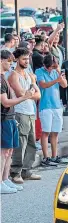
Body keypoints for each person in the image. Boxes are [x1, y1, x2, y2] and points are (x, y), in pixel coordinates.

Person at [1, 50, 34, 193]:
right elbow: (5, 102)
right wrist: (24, 97)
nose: (11, 64)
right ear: (1, 61)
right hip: (3, 118)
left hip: (10, 117)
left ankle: (5, 179)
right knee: (3, 152)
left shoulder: (4, 78)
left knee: (9, 151)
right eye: (9, 61)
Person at [8, 48, 41, 184]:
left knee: (32, 144)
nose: (27, 61)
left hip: (30, 112)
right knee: (20, 144)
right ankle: (16, 172)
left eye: (28, 59)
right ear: (16, 59)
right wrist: (30, 93)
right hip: (20, 112)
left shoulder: (29, 74)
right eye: (24, 59)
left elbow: (38, 95)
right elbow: (21, 94)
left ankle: (26, 170)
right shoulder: (14, 75)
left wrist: (31, 90)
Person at [36, 54, 68, 166]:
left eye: (53, 67)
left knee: (55, 132)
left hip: (56, 106)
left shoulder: (56, 71)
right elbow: (43, 85)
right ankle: (46, 157)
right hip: (45, 106)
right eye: (49, 67)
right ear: (45, 65)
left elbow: (65, 85)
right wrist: (56, 80)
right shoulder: (39, 71)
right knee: (46, 132)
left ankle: (54, 156)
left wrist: (59, 74)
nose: (51, 69)